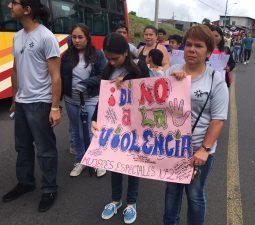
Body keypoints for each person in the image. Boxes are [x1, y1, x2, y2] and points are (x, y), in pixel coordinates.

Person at [163, 24, 229, 225]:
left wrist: (204, 149)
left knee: (195, 195)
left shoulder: (215, 80)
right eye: (189, 44)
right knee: (172, 193)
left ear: (209, 52)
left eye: (198, 46)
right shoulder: (172, 71)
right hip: (173, 149)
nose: (192, 49)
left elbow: (218, 119)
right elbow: (155, 104)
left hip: (199, 153)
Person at [2, 0, 61, 212]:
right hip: (22, 102)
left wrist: (55, 107)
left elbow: (55, 76)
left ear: (27, 10)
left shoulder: (46, 37)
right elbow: (16, 71)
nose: (10, 6)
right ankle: (25, 183)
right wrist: (14, 99)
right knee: (22, 146)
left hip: (40, 102)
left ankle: (49, 189)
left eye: (15, 3)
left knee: (45, 149)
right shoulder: (17, 36)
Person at [91, 32, 149, 224]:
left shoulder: (140, 67)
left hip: (135, 126)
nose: (112, 62)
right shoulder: (107, 71)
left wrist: (127, 81)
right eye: (108, 58)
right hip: (114, 126)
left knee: (133, 166)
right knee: (114, 164)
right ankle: (116, 200)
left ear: (126, 52)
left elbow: (148, 94)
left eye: (115, 58)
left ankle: (131, 203)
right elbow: (104, 98)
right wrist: (94, 118)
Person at [60, 23, 107, 177]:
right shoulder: (66, 55)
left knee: (91, 131)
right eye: (74, 37)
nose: (77, 40)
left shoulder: (97, 54)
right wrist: (56, 102)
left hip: (91, 99)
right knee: (76, 132)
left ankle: (97, 161)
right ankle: (80, 160)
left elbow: (103, 75)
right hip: (71, 99)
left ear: (87, 38)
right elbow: (61, 77)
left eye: (80, 37)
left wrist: (86, 83)